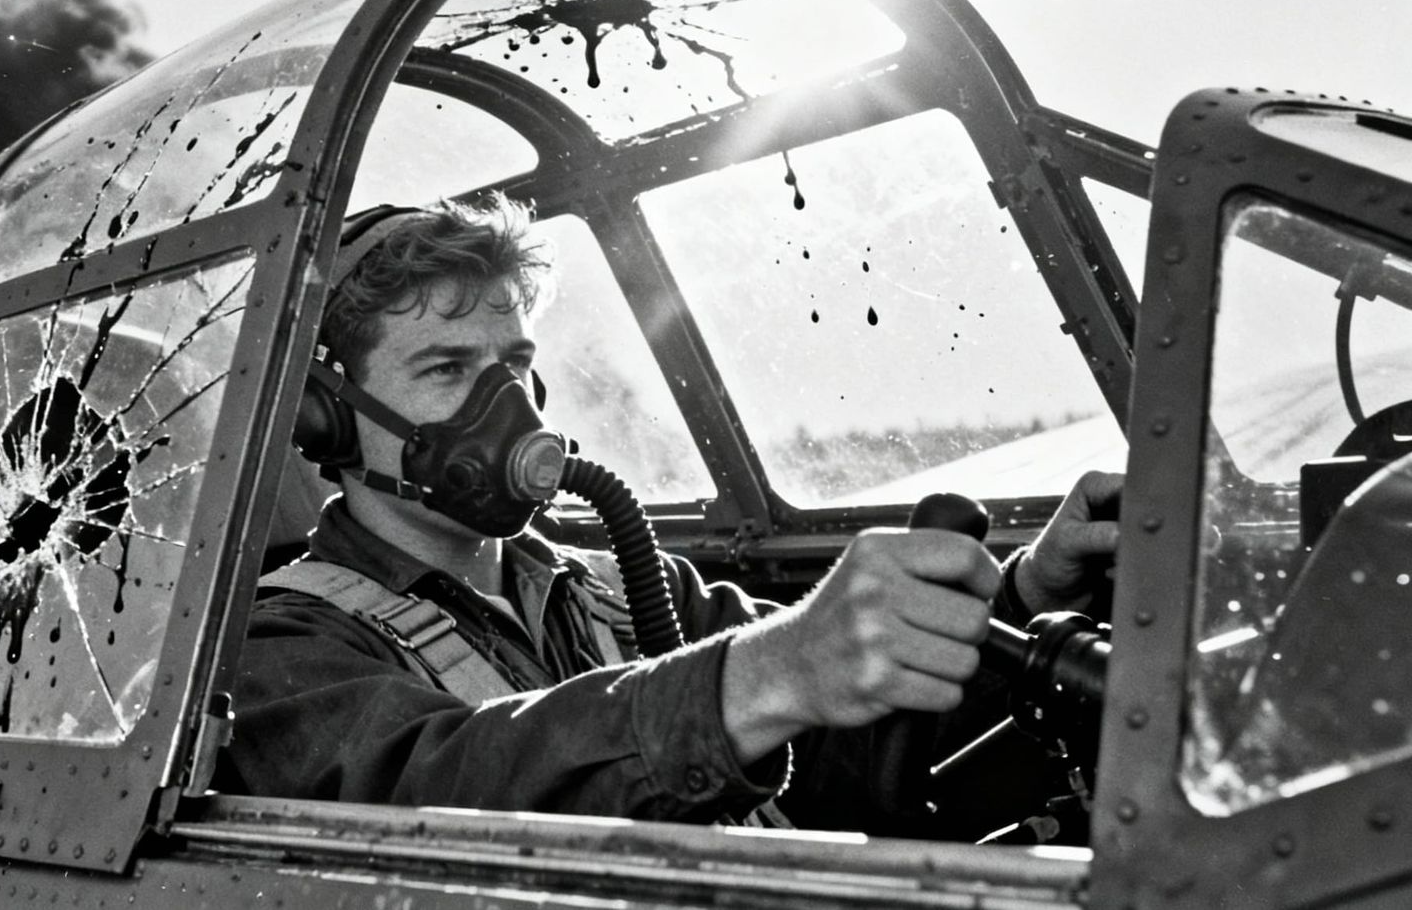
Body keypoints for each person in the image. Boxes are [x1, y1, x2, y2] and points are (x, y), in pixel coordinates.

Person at [215, 194, 1120, 829]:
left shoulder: (629, 590)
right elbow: (443, 791)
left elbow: (858, 737)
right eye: (447, 369)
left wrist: (1024, 595)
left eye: (513, 363)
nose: (510, 405)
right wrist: (769, 675)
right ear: (324, 415)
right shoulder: (277, 647)